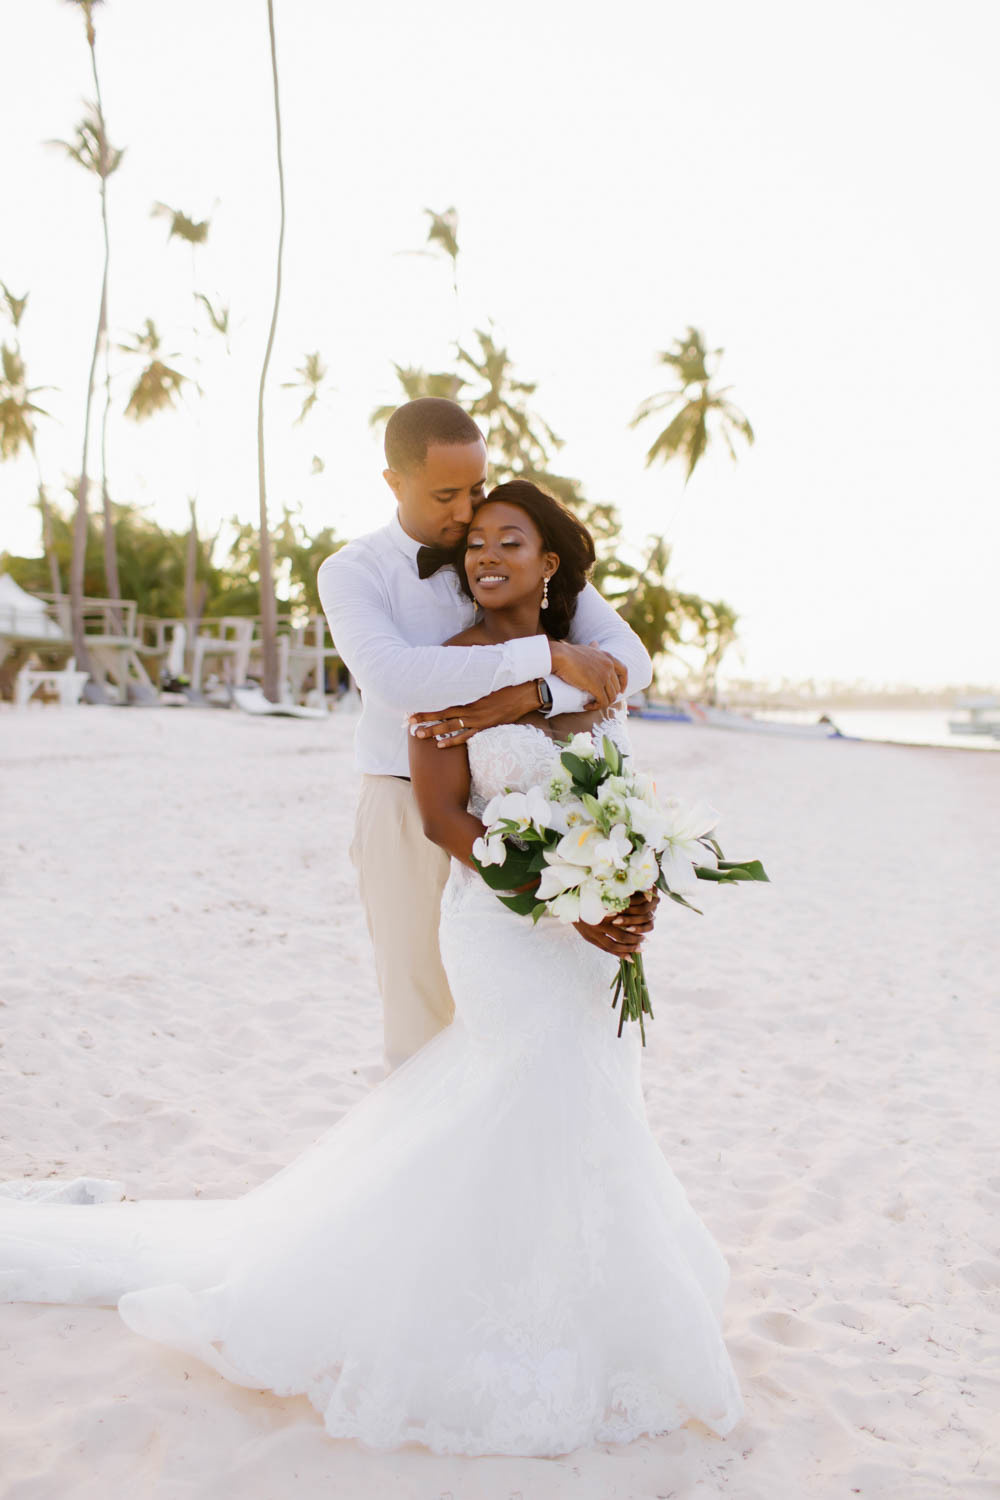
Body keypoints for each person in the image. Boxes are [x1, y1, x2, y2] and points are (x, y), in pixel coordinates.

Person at [0, 480, 744, 1456]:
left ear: (549, 561)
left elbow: (617, 774)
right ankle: (460, 1299)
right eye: (474, 543)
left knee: (590, 1104)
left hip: (587, 940)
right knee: (512, 1093)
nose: (485, 557)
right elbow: (442, 815)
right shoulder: (442, 668)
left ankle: (574, 1303)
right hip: (506, 922)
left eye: (507, 541)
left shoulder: (591, 668)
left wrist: (628, 885)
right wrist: (551, 893)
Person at [316, 397, 653, 1073]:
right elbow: (396, 679)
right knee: (419, 1013)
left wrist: (535, 696)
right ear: (394, 482)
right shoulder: (353, 571)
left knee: (531, 1022)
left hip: (522, 803)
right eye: (448, 495)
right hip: (407, 804)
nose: (468, 512)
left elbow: (632, 663)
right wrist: (550, 656)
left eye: (475, 488)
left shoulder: (506, 541)